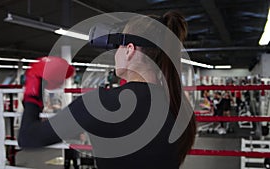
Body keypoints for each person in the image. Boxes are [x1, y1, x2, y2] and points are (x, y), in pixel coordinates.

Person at [18, 11, 196, 169]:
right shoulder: (179, 104)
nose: (115, 55)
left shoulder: (102, 104)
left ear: (129, 50)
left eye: (118, 47)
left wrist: (34, 84)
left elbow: (29, 137)